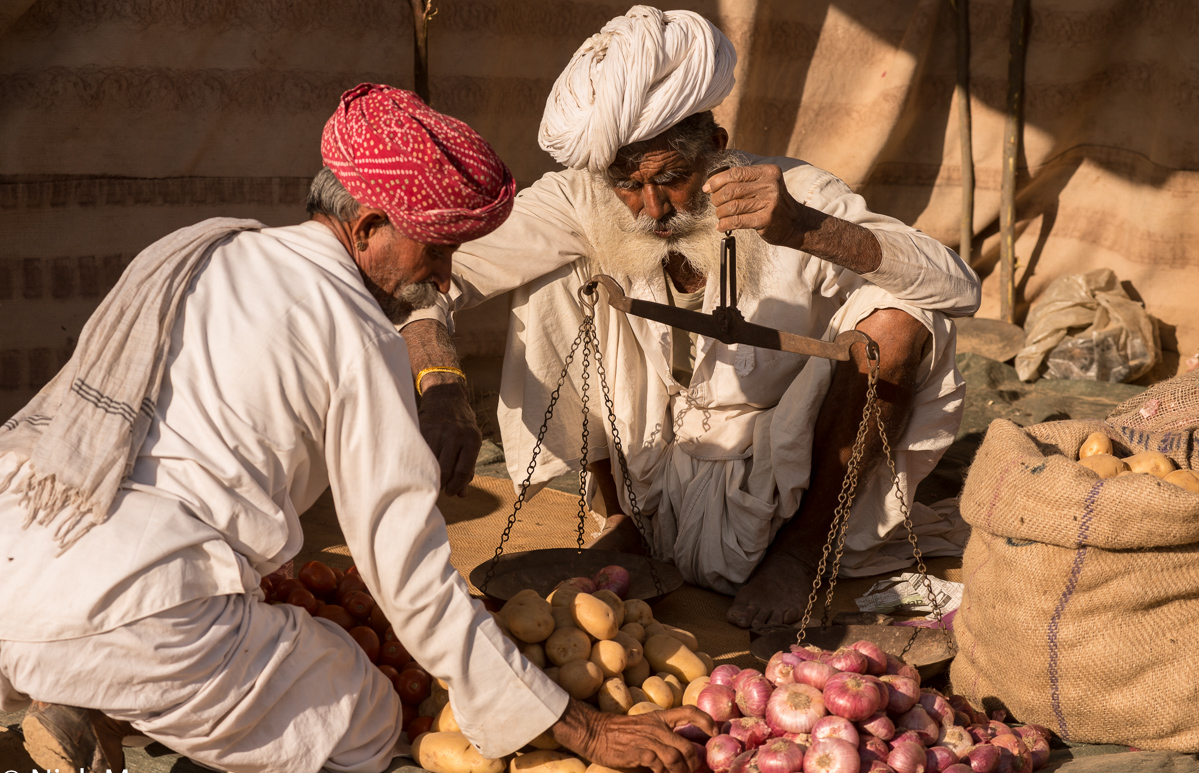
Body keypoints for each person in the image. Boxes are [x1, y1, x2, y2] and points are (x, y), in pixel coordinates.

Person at [0, 84, 712, 773]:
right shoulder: (357, 333)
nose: (442, 276)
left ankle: (76, 691)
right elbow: (406, 567)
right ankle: (102, 686)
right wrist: (580, 729)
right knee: (367, 720)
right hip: (144, 610)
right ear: (369, 225)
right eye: (436, 252)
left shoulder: (203, 253)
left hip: (18, 563)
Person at [400, 6, 983, 630]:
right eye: (628, 184)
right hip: (652, 469)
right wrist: (440, 383)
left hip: (781, 475)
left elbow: (958, 287)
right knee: (550, 273)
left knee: (905, 315)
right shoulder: (583, 198)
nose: (651, 208)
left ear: (716, 148)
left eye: (673, 178)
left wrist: (808, 229)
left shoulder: (794, 191)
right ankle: (621, 522)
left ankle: (803, 554)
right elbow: (427, 275)